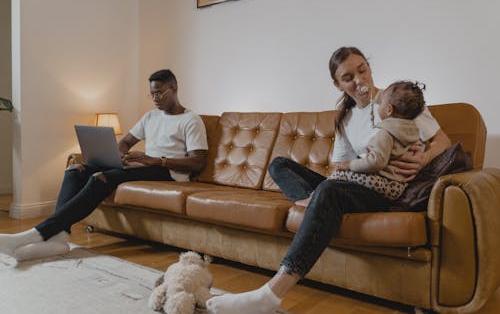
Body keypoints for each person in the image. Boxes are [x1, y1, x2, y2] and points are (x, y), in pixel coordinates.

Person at [205, 47, 451, 314]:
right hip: (353, 183)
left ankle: (271, 294)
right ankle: (312, 201)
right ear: (337, 84)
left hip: (378, 190)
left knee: (330, 189)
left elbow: (443, 141)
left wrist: (422, 159)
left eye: (362, 70)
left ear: (369, 68)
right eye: (348, 77)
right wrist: (341, 174)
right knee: (279, 165)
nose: (359, 80)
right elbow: (339, 166)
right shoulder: (345, 118)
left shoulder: (396, 100)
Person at [0, 69, 208, 261]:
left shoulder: (191, 120)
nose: (155, 98)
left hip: (168, 172)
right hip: (144, 165)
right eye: (151, 94)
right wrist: (118, 156)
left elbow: (197, 162)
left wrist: (156, 160)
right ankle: (59, 239)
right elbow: (126, 141)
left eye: (160, 93)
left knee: (100, 177)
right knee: (75, 170)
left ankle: (32, 235)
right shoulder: (151, 116)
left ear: (174, 89)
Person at [327, 80, 427, 201]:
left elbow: (376, 162)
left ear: (389, 109)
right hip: (401, 186)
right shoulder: (412, 131)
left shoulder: (386, 133)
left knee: (339, 175)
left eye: (382, 102)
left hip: (385, 184)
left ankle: (315, 196)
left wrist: (349, 165)